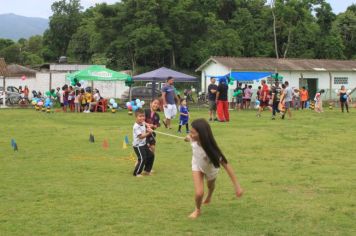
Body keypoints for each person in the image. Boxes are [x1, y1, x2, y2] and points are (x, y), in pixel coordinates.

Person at [184, 118, 243, 219]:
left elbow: (227, 166)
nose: (190, 134)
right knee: (199, 193)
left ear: (201, 134)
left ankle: (210, 195)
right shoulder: (193, 139)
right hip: (197, 165)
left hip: (210, 169)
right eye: (190, 131)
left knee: (210, 185)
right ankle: (197, 210)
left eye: (192, 132)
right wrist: (188, 137)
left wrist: (237, 186)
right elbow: (189, 137)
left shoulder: (212, 151)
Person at [132, 109, 153, 177]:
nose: (142, 118)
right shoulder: (136, 127)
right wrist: (149, 132)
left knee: (151, 155)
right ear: (136, 117)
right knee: (142, 158)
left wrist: (149, 126)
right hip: (138, 146)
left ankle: (147, 170)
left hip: (143, 144)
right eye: (140, 116)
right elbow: (141, 136)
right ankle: (137, 173)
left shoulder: (142, 122)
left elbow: (146, 124)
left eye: (143, 116)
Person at [144, 98, 161, 175]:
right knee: (145, 150)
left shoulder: (157, 115)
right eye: (154, 103)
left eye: (157, 104)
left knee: (153, 149)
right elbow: (140, 120)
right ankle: (139, 163)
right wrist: (147, 124)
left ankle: (149, 167)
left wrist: (153, 126)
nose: (156, 105)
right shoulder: (145, 111)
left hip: (151, 134)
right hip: (144, 134)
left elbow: (157, 125)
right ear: (151, 103)